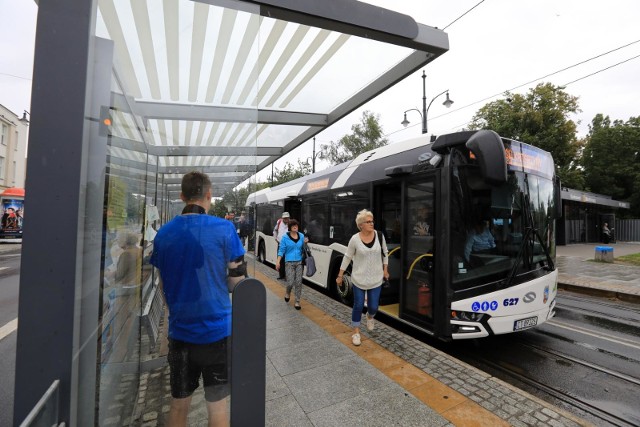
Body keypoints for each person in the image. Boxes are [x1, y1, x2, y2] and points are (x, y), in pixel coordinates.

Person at [150, 171, 246, 427]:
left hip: (180, 334)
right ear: (209, 195)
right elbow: (238, 283)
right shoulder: (225, 229)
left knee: (179, 405)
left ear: (182, 196)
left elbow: (163, 284)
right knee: (217, 406)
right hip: (217, 333)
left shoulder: (163, 235)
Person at [336, 209, 389, 346]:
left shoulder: (379, 235)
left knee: (373, 307)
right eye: (368, 222)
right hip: (359, 279)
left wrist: (385, 270)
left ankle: (370, 316)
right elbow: (347, 257)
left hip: (376, 279)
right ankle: (356, 332)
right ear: (361, 225)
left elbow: (385, 253)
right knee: (358, 305)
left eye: (372, 221)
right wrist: (340, 275)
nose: (372, 223)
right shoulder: (354, 239)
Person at [275, 219, 308, 310]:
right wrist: (278, 262)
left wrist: (305, 243)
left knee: (298, 282)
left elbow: (304, 249)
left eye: (296, 225)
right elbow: (281, 250)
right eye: (293, 225)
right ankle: (288, 292)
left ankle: (297, 301)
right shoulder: (285, 237)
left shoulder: (301, 236)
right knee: (290, 282)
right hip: (289, 262)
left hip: (299, 262)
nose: (295, 227)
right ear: (290, 227)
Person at [273, 212, 290, 279]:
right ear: (282, 218)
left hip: (288, 245)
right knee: (280, 260)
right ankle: (281, 275)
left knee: (287, 260)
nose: (286, 219)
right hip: (280, 244)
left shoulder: (291, 224)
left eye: (287, 218)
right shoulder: (279, 222)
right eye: (284, 218)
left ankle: (287, 276)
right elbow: (275, 230)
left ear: (289, 218)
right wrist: (275, 238)